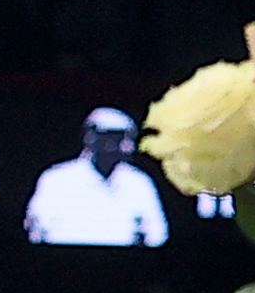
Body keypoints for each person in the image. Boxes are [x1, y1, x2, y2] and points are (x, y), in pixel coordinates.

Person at [23, 104, 171, 243]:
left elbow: (157, 234)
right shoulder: (56, 179)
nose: (126, 145)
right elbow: (36, 229)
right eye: (115, 137)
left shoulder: (140, 183)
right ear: (90, 137)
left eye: (128, 137)